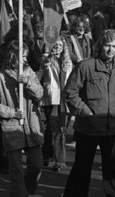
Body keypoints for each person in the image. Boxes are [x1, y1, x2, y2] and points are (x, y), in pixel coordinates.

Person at [63, 29, 115, 197]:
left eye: (114, 46)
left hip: (113, 130)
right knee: (81, 171)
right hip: (89, 128)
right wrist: (85, 111)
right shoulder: (86, 66)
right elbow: (70, 93)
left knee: (114, 174)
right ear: (100, 45)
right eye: (107, 45)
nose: (110, 50)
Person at [0, 40, 44, 197]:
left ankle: (28, 191)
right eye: (22, 56)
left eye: (26, 56)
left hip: (32, 126)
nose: (25, 60)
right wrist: (12, 113)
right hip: (12, 127)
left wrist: (27, 82)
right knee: (16, 170)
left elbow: (40, 93)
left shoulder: (29, 73)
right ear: (12, 56)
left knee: (37, 164)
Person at [39, 37, 73, 171]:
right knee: (51, 129)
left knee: (62, 129)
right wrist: (46, 61)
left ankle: (59, 160)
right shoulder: (46, 59)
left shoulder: (68, 61)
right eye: (55, 45)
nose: (58, 47)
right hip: (52, 98)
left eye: (60, 45)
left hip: (64, 100)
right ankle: (46, 155)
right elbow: (42, 67)